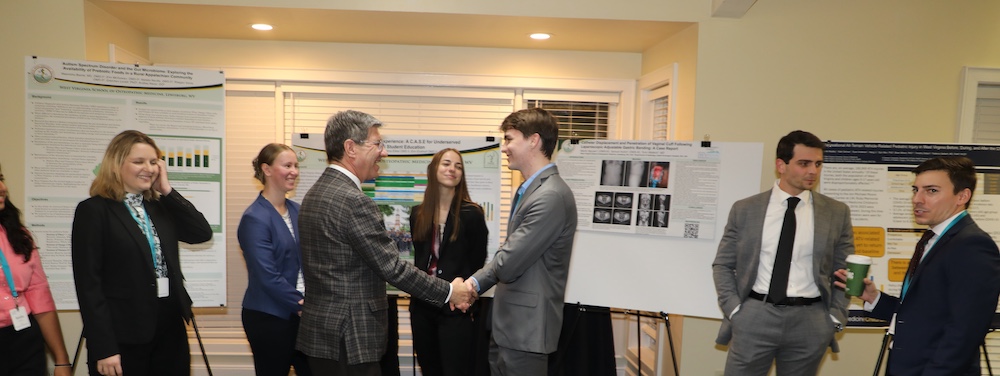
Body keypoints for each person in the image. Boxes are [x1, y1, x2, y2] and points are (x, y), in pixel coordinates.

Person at [295, 110, 474, 375]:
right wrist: (450, 292)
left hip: (322, 337)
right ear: (350, 148)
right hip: (351, 337)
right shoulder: (354, 201)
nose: (384, 152)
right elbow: (392, 268)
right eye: (377, 144)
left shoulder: (315, 193)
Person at [835, 156, 1000, 376]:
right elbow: (921, 314)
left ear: (962, 196)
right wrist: (875, 299)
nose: (917, 199)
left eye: (931, 191)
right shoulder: (932, 239)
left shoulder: (972, 244)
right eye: (916, 190)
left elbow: (965, 331)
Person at [712, 130, 854, 375]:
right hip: (755, 314)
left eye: (818, 164)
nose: (813, 171)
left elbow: (846, 270)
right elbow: (723, 264)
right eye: (804, 163)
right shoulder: (745, 209)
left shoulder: (836, 212)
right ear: (781, 165)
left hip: (811, 320)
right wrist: (734, 309)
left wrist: (835, 317)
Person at [72, 130, 213, 376]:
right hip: (123, 334)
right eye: (138, 162)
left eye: (153, 161)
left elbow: (201, 233)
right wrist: (104, 347)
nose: (148, 168)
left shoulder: (159, 207)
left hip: (169, 328)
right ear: (116, 165)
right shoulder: (94, 211)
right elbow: (89, 286)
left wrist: (167, 190)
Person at [466, 107, 578, 375]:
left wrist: (471, 284)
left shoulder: (550, 196)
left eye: (509, 139)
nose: (504, 148)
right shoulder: (531, 190)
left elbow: (508, 263)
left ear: (533, 140)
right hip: (511, 328)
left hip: (527, 331)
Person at [408, 148, 488, 376]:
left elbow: (477, 263)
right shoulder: (418, 213)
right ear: (433, 170)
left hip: (456, 307)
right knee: (429, 368)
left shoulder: (472, 214)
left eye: (458, 165)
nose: (452, 169)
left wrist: (466, 296)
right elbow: (420, 259)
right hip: (423, 306)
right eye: (446, 164)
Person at [237, 143, 312, 376]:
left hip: (303, 313)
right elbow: (266, 274)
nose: (294, 171)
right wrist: (302, 305)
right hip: (269, 317)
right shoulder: (255, 218)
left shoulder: (299, 210)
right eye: (287, 165)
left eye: (296, 166)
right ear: (267, 170)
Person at [0, 163, 72, 375]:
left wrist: (61, 360)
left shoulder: (18, 235)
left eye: (1, 178)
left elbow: (39, 294)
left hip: (23, 340)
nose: (2, 186)